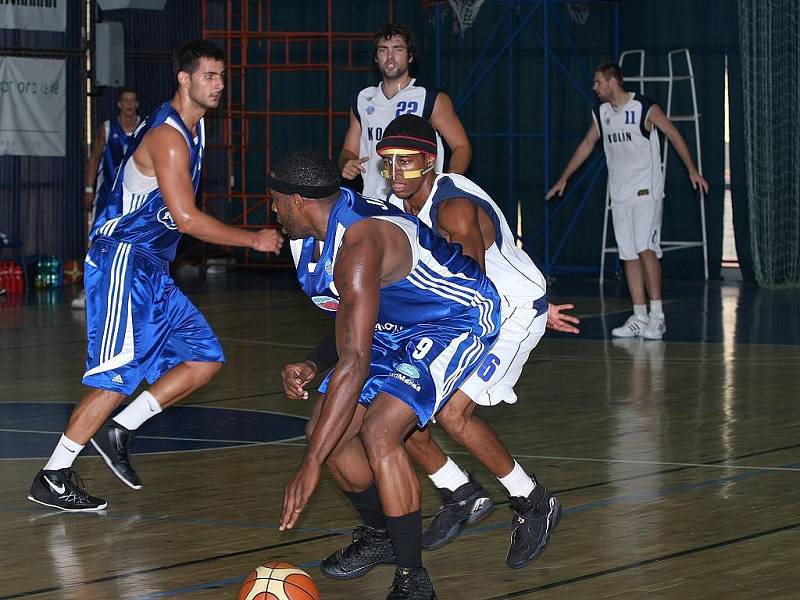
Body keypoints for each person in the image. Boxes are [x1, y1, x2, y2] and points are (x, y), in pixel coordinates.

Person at [282, 115, 574, 570]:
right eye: (388, 161)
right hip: (435, 320)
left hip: (502, 312)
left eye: (406, 162)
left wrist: (541, 306)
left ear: (430, 163)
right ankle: (459, 491)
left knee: (450, 412)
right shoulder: (388, 210)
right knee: (399, 404)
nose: (395, 171)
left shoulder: (450, 208)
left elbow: (471, 282)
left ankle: (531, 499)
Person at [28, 40, 283, 512]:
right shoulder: (167, 136)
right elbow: (186, 219)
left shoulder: (196, 128)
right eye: (209, 75)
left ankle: (121, 427)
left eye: (222, 76)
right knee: (114, 379)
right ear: (183, 80)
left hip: (151, 267)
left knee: (204, 359)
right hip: (123, 258)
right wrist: (253, 239)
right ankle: (54, 474)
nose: (219, 83)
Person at [271, 149, 500, 599]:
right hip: (395, 327)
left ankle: (414, 581)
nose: (272, 209)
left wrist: (309, 467)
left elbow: (355, 360)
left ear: (298, 200)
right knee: (326, 431)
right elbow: (349, 324)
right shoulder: (309, 238)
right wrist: (315, 364)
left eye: (275, 200)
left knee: (380, 432)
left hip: (455, 317)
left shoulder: (359, 243)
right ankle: (381, 537)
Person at [546, 62, 708, 340]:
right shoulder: (602, 112)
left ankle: (657, 315)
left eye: (598, 82)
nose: (594, 88)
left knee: (646, 247)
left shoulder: (644, 107)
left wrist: (692, 169)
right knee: (629, 254)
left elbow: (673, 133)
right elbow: (587, 144)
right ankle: (639, 314)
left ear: (612, 81)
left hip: (646, 190)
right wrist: (564, 178)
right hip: (619, 194)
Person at [339, 22, 471, 199]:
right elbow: (348, 152)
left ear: (410, 56)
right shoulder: (362, 99)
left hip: (418, 202)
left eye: (398, 49)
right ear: (376, 58)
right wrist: (347, 163)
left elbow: (462, 147)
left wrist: (447, 184)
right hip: (373, 201)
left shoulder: (429, 97)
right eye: (383, 50)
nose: (390, 56)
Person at [73, 87, 141, 310]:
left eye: (132, 100)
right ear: (119, 104)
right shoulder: (107, 127)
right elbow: (94, 159)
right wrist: (89, 188)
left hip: (135, 197)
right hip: (107, 197)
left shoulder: (146, 128)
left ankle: (132, 292)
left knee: (134, 245)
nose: (129, 104)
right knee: (98, 242)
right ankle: (89, 290)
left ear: (136, 104)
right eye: (125, 101)